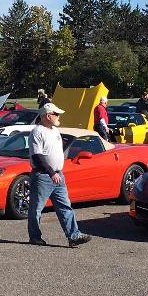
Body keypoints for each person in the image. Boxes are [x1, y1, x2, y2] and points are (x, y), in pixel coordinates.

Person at [27, 103, 91, 248]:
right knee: (36, 208)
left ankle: (73, 236)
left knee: (65, 206)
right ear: (47, 116)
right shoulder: (37, 132)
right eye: (56, 114)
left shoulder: (55, 130)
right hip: (43, 176)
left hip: (58, 175)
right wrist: (51, 173)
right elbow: (37, 156)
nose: (59, 116)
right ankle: (35, 237)